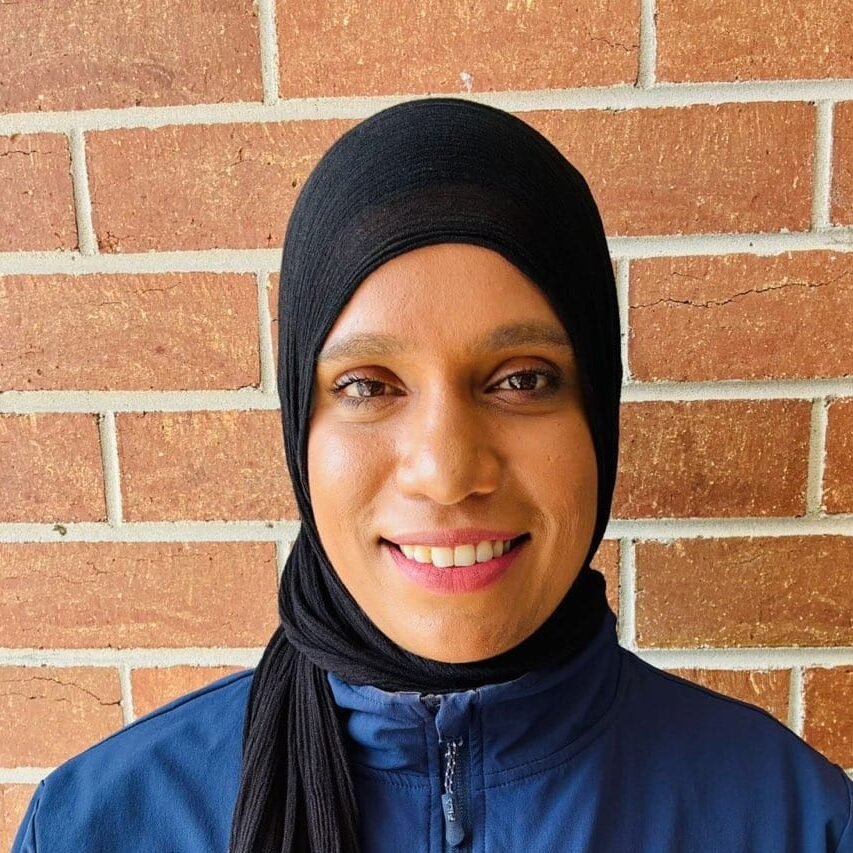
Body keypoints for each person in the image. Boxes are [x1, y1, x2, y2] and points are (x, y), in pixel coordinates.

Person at [11, 97, 852, 853]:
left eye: (521, 378)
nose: (448, 472)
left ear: (599, 411)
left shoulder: (794, 821)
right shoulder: (99, 825)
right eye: (368, 386)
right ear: (299, 429)